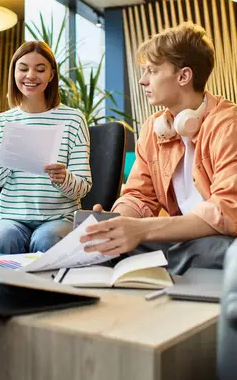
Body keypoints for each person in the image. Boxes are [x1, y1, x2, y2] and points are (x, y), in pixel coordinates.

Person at [81, 22, 237, 274]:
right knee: (110, 245)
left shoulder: (229, 125)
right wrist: (117, 222)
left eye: (152, 71)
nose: (142, 81)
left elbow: (226, 212)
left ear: (184, 76)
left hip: (223, 239)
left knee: (225, 254)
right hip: (185, 241)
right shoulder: (155, 127)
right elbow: (138, 196)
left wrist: (142, 230)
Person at [0, 40, 92, 253]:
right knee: (3, 238)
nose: (31, 75)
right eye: (23, 69)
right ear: (14, 73)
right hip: (9, 217)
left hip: (59, 217)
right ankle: (0, 288)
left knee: (47, 238)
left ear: (51, 75)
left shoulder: (73, 119)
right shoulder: (2, 122)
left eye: (40, 69)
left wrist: (65, 178)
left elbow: (83, 186)